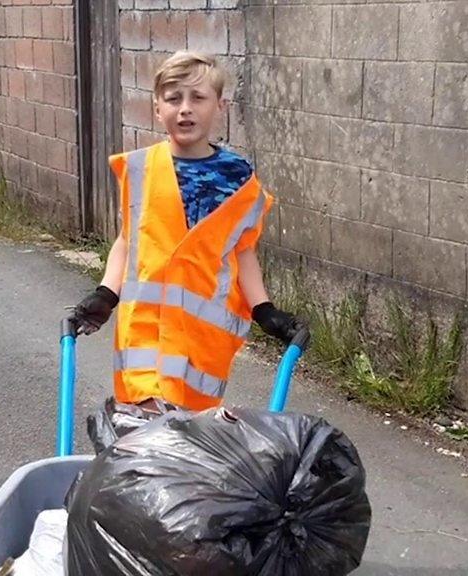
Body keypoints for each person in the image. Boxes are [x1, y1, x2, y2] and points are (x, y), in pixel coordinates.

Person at [71, 51, 304, 411]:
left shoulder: (238, 178)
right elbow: (127, 240)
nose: (185, 109)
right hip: (144, 332)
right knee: (147, 426)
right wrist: (106, 293)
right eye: (173, 98)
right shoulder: (141, 169)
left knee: (189, 439)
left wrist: (264, 309)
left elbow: (242, 250)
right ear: (157, 108)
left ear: (220, 106)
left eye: (198, 98)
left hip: (202, 341)